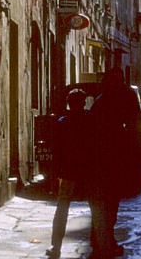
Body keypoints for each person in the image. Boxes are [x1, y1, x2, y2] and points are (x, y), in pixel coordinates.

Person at [88, 67, 141, 259]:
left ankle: (101, 241)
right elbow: (135, 124)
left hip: (106, 159)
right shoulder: (122, 97)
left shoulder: (102, 101)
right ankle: (104, 240)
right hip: (112, 158)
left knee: (103, 203)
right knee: (109, 203)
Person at [46, 88, 93, 259]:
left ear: (68, 104)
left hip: (68, 171)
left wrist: (54, 174)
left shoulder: (62, 122)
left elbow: (57, 151)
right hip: (89, 171)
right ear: (83, 103)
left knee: (62, 209)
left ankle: (56, 246)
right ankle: (100, 245)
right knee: (96, 208)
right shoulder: (91, 120)